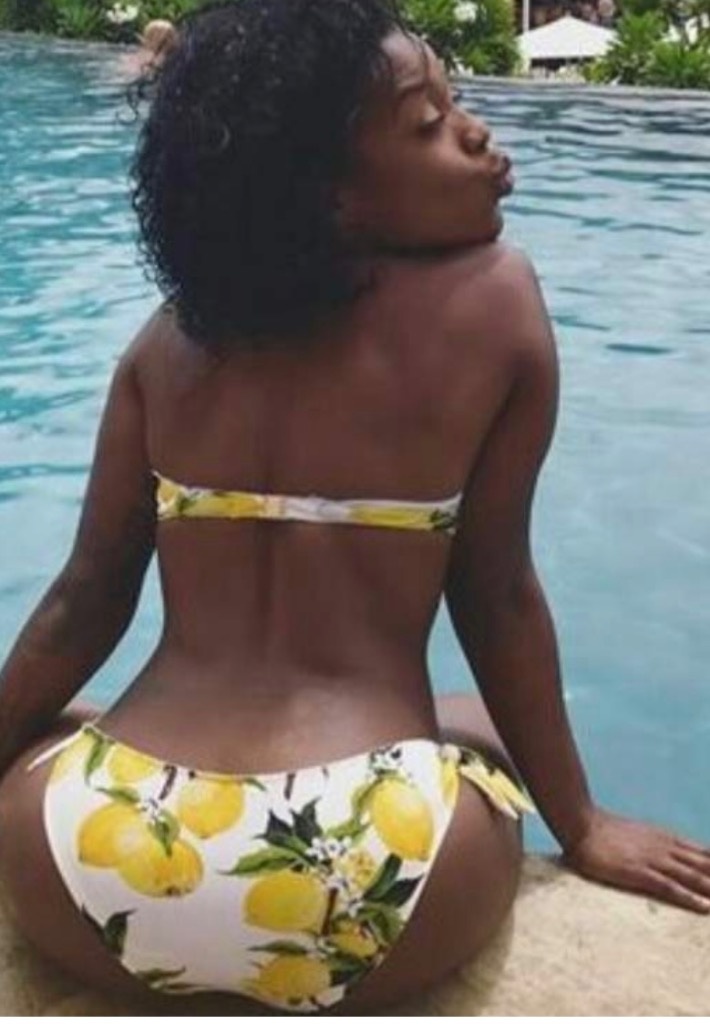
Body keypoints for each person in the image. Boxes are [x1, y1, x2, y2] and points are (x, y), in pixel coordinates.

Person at [0, 0, 708, 1014]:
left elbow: (84, 599)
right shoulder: (498, 303)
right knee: (484, 730)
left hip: (91, 867)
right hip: (371, 878)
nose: (476, 133)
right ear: (328, 198)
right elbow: (497, 596)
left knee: (56, 739)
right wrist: (585, 825)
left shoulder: (167, 342)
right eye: (429, 124)